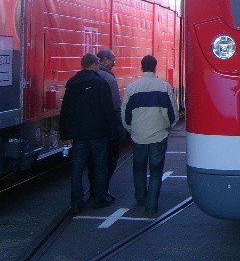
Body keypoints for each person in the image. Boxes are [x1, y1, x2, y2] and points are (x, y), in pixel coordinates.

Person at [59, 54, 118, 213]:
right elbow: (108, 109)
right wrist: (114, 131)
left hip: (79, 135)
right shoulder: (101, 83)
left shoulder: (72, 83)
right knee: (100, 166)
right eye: (97, 65)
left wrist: (65, 132)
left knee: (77, 168)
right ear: (93, 65)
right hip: (98, 133)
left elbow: (66, 109)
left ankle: (76, 201)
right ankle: (99, 198)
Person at [121, 55, 178, 216]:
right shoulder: (164, 87)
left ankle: (140, 198)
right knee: (155, 170)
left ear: (141, 67)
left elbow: (125, 115)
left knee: (138, 167)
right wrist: (167, 127)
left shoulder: (132, 88)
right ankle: (152, 205)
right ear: (155, 67)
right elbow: (173, 114)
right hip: (159, 135)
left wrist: (132, 129)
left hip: (138, 135)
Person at [95, 48, 122, 200]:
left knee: (93, 162)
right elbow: (115, 105)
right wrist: (119, 127)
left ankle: (89, 194)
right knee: (108, 160)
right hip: (106, 127)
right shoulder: (109, 79)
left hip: (90, 128)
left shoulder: (80, 78)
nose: (114, 62)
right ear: (104, 60)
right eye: (112, 59)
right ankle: (102, 192)